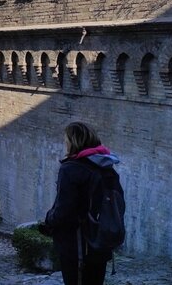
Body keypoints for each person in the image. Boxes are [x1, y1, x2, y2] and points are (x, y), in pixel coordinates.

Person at [44, 122, 124, 285]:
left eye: (66, 139)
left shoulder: (71, 169)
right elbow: (119, 203)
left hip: (77, 245)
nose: (65, 143)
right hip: (101, 239)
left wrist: (49, 220)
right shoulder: (107, 167)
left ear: (74, 142)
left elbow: (64, 211)